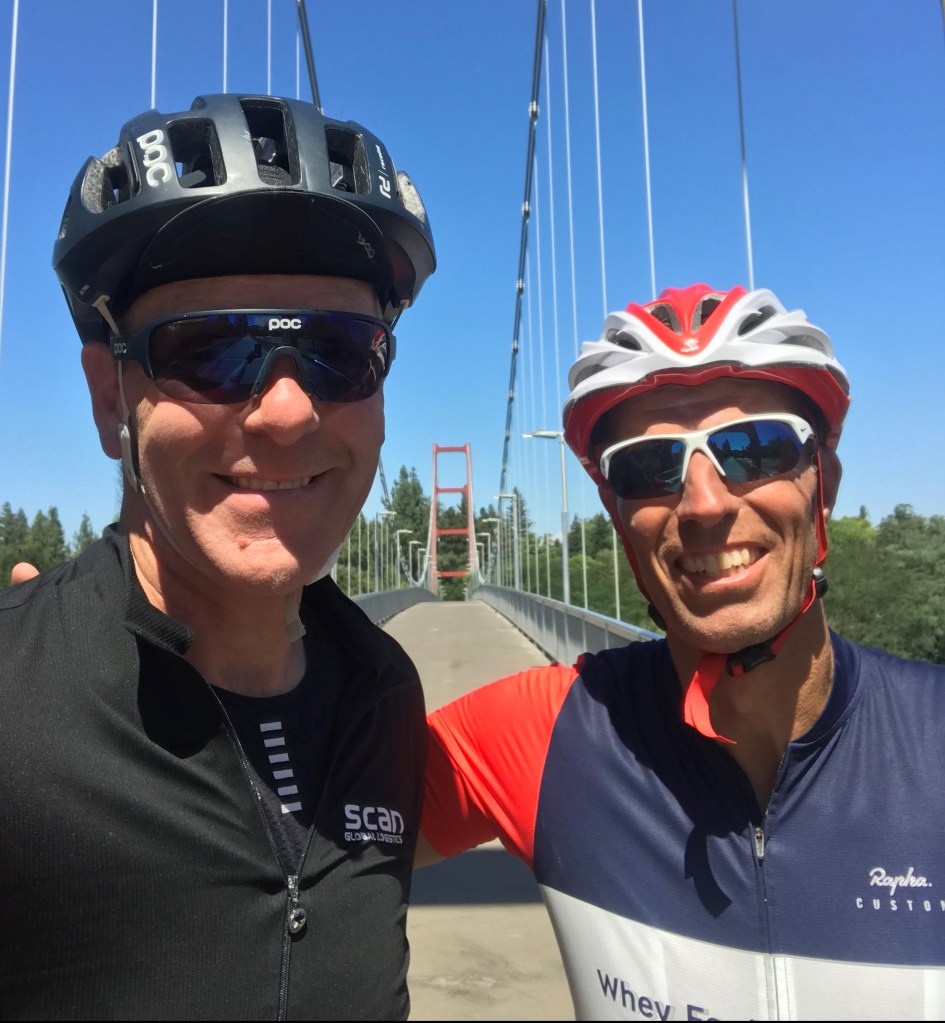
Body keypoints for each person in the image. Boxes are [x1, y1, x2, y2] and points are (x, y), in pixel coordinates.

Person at [0, 93, 435, 1020]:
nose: (287, 412)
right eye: (211, 350)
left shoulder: (387, 695)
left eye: (341, 351)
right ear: (111, 401)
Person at [418, 283, 945, 1020]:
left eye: (754, 449)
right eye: (649, 467)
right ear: (618, 515)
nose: (704, 503)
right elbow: (282, 833)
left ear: (822, 485)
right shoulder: (545, 735)